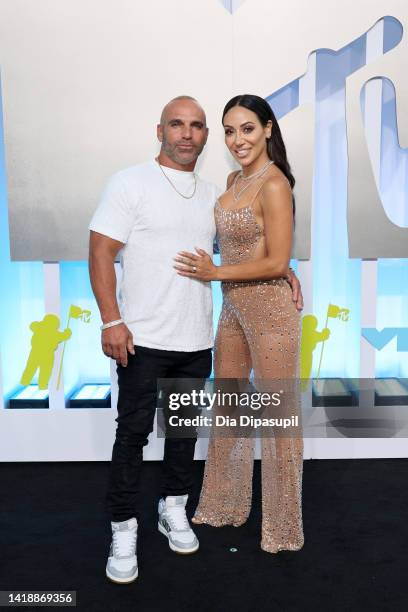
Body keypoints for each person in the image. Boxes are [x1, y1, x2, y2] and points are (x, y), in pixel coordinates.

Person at [88, 96, 303, 583]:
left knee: (185, 433)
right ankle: (124, 529)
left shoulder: (222, 189)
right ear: (159, 129)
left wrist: (281, 268)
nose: (189, 134)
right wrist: (110, 320)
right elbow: (100, 250)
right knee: (134, 434)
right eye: (178, 124)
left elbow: (259, 244)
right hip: (143, 337)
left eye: (199, 126)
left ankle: (178, 509)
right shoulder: (135, 182)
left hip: (197, 338)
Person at [173, 94, 304, 553]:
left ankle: (283, 528)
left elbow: (275, 259)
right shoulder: (232, 180)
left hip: (270, 312)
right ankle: (225, 505)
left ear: (268, 129)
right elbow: (258, 251)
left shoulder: (274, 184)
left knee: (277, 419)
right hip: (233, 310)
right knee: (228, 409)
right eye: (229, 131)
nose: (237, 140)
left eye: (247, 129)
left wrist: (216, 273)